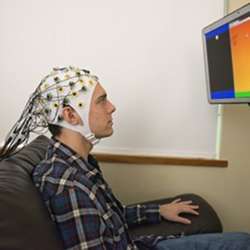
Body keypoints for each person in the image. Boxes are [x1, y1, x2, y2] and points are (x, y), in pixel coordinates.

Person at [1, 66, 250, 250]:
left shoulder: (79, 162)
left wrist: (158, 211)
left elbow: (109, 218)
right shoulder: (65, 182)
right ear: (71, 115)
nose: (112, 107)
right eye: (101, 101)